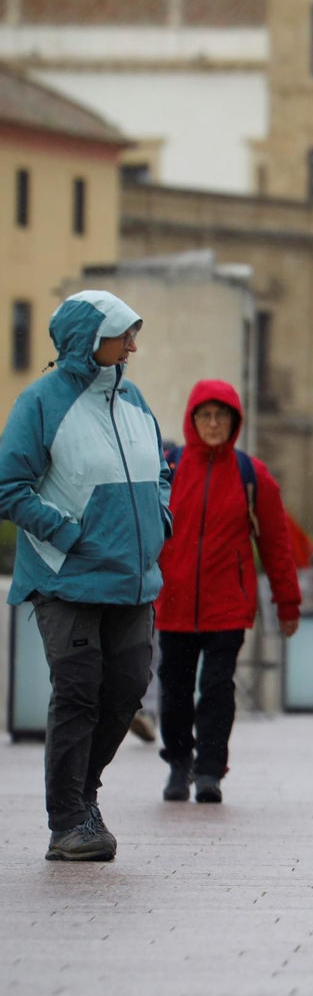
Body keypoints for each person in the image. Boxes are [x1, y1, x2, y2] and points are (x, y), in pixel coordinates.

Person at [0, 291, 170, 861]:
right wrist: (70, 535)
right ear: (89, 339)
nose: (133, 346)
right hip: (66, 579)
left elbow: (160, 470)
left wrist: (161, 517)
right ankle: (68, 822)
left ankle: (84, 794)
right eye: (124, 335)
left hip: (133, 580)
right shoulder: (40, 402)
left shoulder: (134, 398)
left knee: (125, 691)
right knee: (78, 692)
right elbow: (9, 488)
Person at [154, 380, 302, 804]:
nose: (214, 423)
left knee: (218, 688)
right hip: (175, 603)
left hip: (227, 606)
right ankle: (179, 763)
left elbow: (276, 545)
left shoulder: (252, 475)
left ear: (235, 422)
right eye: (206, 415)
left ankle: (209, 771)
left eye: (222, 416)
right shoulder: (169, 468)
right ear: (192, 419)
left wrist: (287, 602)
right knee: (175, 687)